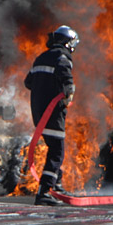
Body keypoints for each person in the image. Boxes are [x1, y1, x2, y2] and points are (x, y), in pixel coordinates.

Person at [24, 25, 78, 206]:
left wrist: (43, 89)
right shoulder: (62, 57)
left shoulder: (40, 58)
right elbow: (66, 78)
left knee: (53, 147)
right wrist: (68, 93)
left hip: (39, 114)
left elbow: (28, 82)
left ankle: (57, 185)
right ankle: (44, 191)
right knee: (57, 152)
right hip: (53, 113)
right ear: (67, 42)